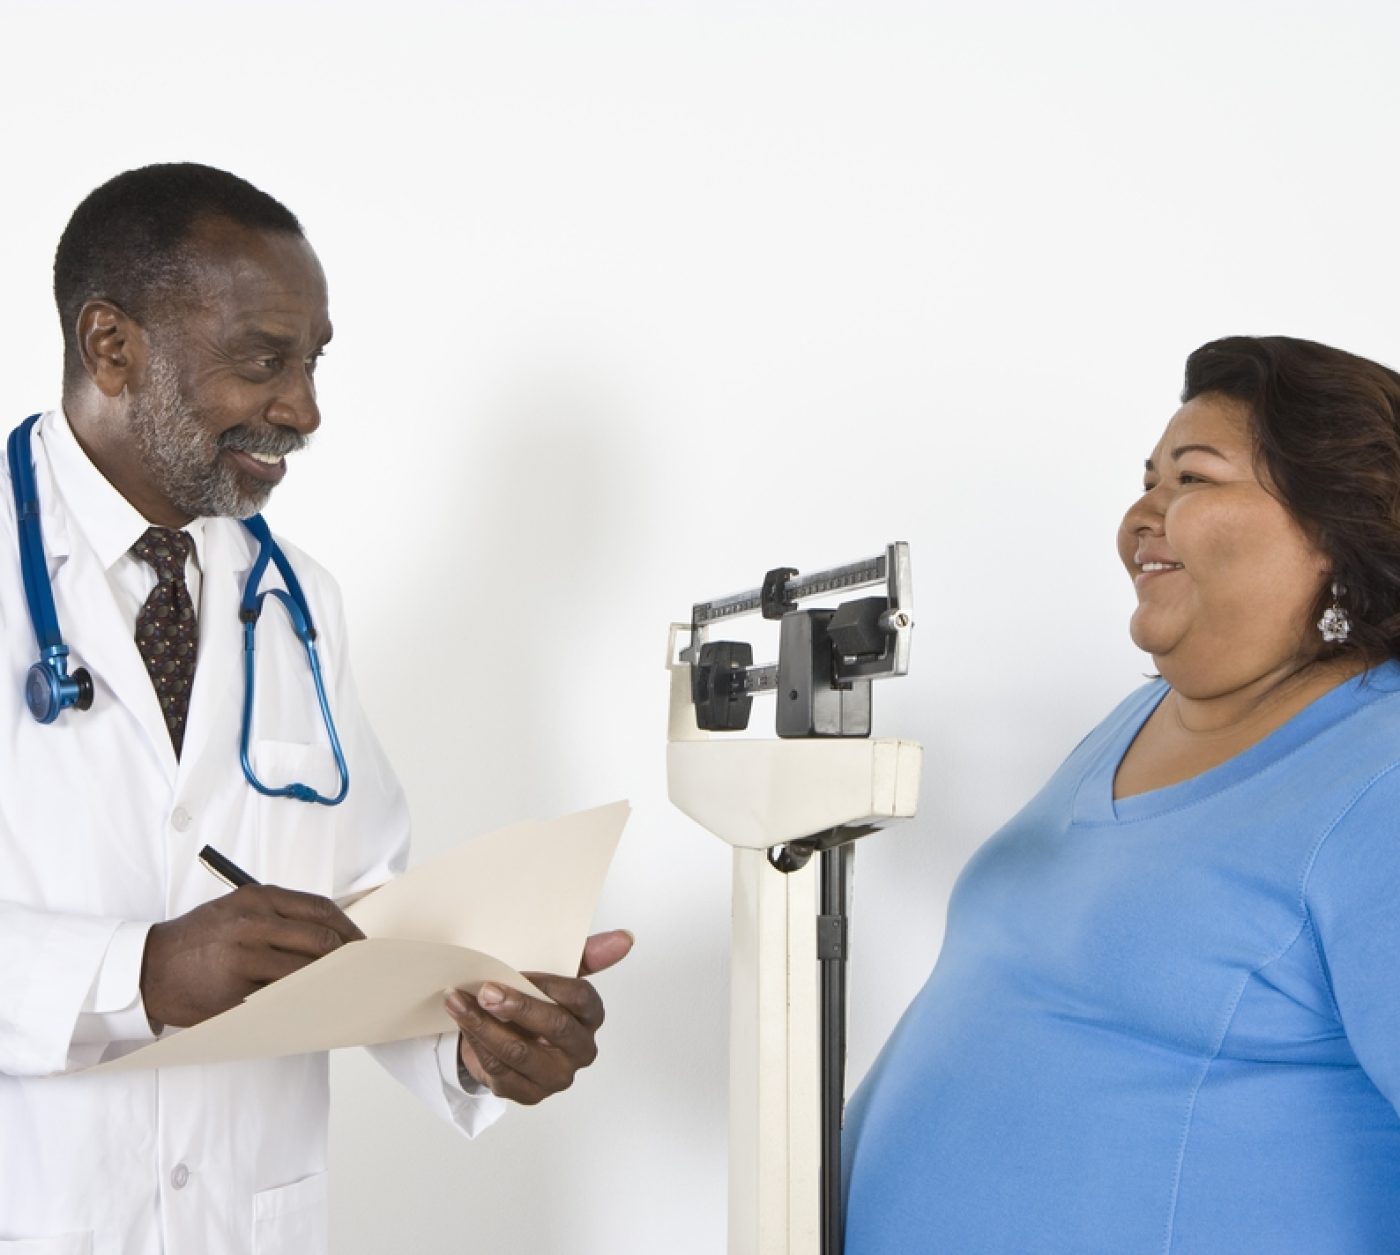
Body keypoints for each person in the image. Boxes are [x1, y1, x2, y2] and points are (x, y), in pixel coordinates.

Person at [0, 163, 633, 1254]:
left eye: (311, 361)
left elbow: (353, 917)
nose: (303, 409)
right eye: (264, 361)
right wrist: (141, 971)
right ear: (112, 346)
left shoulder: (298, 602)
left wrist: (476, 1028)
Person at [843, 335, 1400, 1253]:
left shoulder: (1378, 779)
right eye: (1147, 479)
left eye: (1193, 478)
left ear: (1334, 526)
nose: (1142, 514)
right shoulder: (1140, 720)